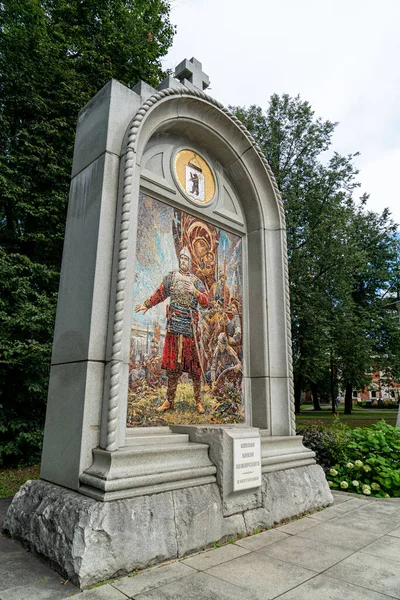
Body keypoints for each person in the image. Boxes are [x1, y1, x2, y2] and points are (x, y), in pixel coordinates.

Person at [135, 247, 209, 413]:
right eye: (181, 258)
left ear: (190, 262)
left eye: (186, 259)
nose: (183, 261)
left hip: (190, 327)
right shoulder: (172, 277)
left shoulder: (196, 281)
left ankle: (198, 401)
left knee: (195, 368)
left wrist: (196, 292)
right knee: (172, 368)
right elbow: (160, 293)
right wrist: (146, 304)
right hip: (174, 325)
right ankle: (170, 401)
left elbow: (206, 301)